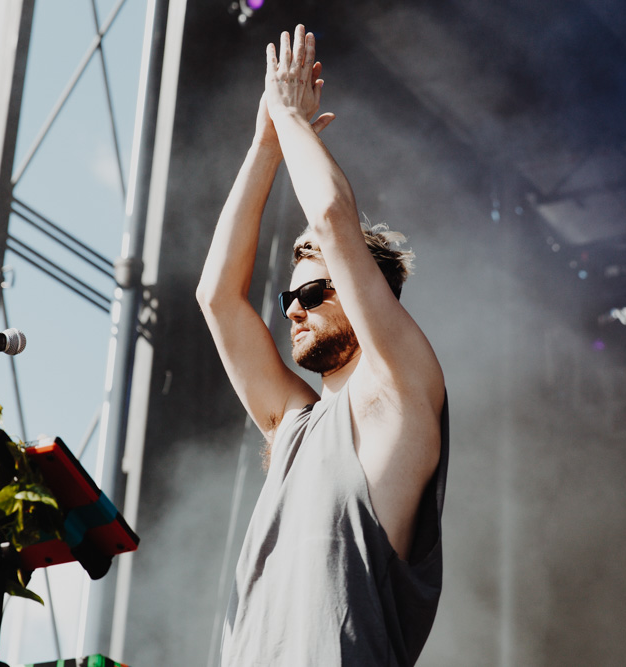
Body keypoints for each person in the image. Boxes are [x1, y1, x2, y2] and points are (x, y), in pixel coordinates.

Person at [195, 24, 449, 666]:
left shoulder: (399, 390)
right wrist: (264, 145)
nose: (294, 312)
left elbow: (335, 222)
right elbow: (217, 298)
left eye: (314, 295)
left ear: (367, 303)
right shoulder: (292, 424)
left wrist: (290, 115)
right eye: (288, 300)